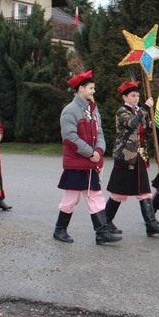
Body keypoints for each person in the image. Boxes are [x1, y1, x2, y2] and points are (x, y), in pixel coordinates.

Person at [53, 70, 121, 246]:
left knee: (95, 196)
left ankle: (102, 234)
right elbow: (69, 137)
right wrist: (90, 153)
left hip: (90, 164)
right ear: (80, 88)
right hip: (76, 164)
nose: (93, 91)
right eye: (91, 88)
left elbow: (100, 133)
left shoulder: (93, 110)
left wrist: (99, 149)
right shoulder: (69, 111)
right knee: (71, 199)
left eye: (94, 88)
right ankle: (60, 230)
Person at [102, 81, 159, 237]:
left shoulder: (139, 111)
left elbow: (143, 134)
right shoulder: (122, 111)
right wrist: (145, 108)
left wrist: (150, 128)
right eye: (133, 95)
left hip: (139, 156)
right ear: (125, 97)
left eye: (137, 95)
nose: (136, 98)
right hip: (125, 156)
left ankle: (150, 224)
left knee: (143, 191)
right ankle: (105, 221)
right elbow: (132, 124)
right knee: (118, 193)